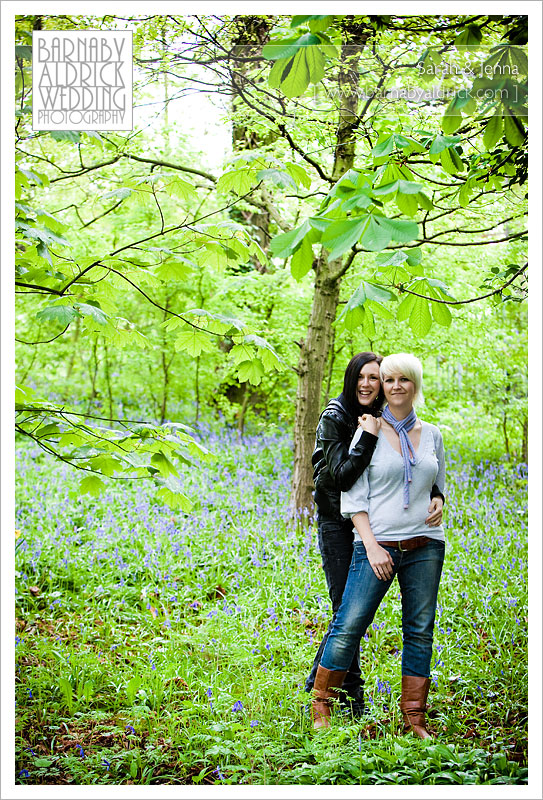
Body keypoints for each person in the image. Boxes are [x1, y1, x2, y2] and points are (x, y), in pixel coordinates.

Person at [311, 353, 445, 736]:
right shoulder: (359, 428)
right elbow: (349, 491)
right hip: (374, 540)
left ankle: (414, 717)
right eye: (389, 380)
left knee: (420, 629)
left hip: (427, 544)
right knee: (349, 621)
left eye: (403, 380)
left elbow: (435, 479)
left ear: (415, 385)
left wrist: (439, 498)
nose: (393, 386)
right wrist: (370, 545)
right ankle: (322, 705)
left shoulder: (433, 433)